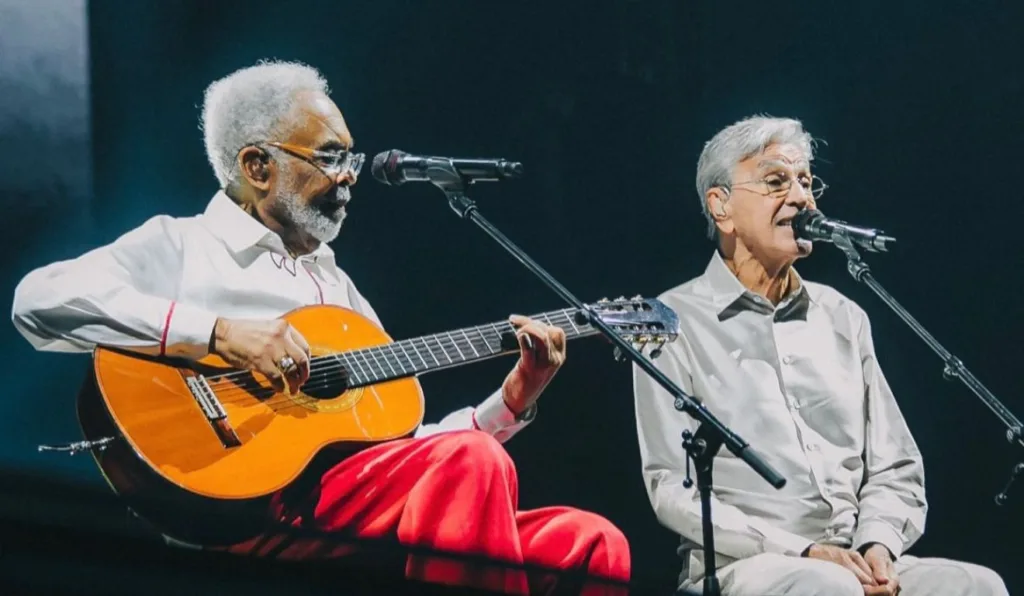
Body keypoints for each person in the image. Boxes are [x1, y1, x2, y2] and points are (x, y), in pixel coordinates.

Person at [11, 59, 630, 595]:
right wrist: (220, 333)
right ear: (257, 165)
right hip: (247, 509)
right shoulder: (182, 244)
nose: (351, 174)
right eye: (332, 156)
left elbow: (408, 447)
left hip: (349, 508)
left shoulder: (336, 288)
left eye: (352, 157)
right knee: (467, 462)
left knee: (591, 544)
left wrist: (515, 397)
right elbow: (39, 299)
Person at [631, 115, 1008, 596]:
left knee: (977, 585)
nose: (802, 198)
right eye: (776, 181)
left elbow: (896, 466)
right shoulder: (671, 321)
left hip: (856, 558)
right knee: (825, 587)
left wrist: (879, 545)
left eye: (807, 182)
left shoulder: (844, 316)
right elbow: (670, 487)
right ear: (721, 207)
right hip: (743, 568)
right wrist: (803, 551)